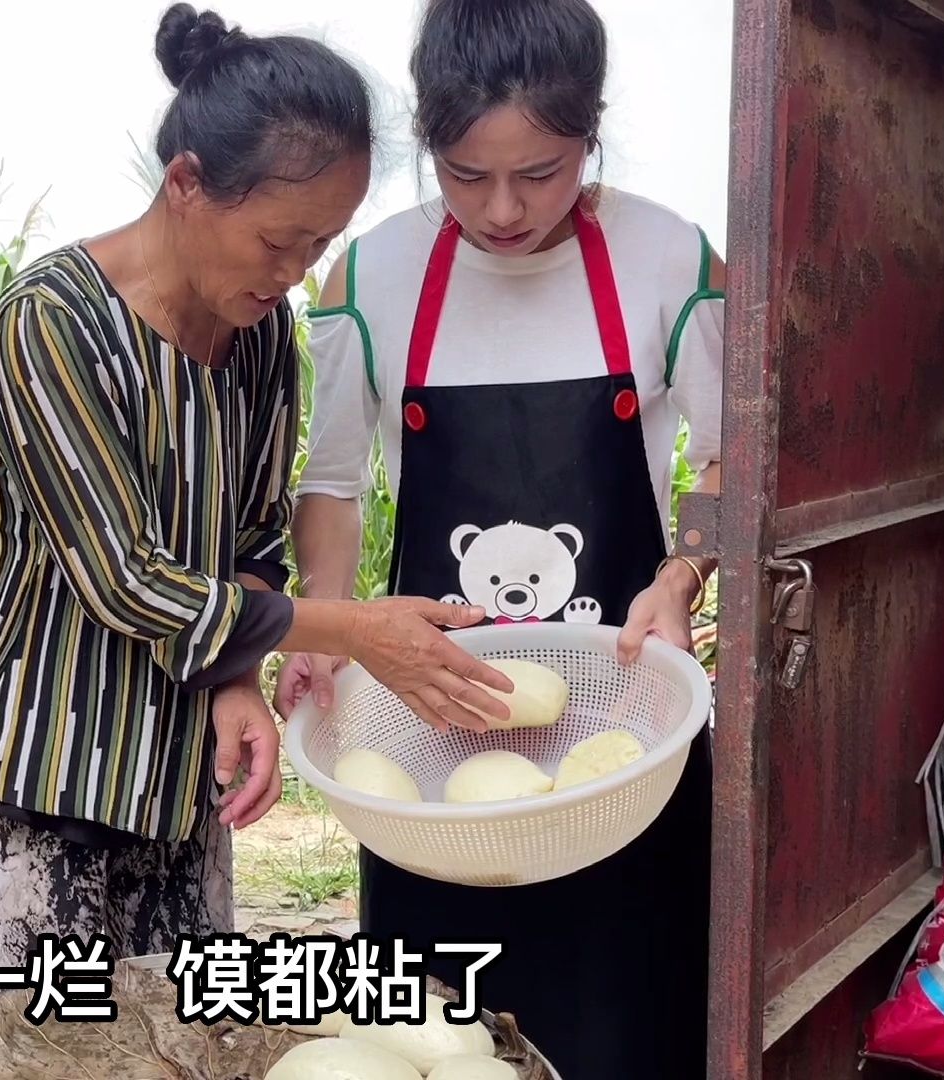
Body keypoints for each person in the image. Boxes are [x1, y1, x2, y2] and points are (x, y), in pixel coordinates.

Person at [0, 3, 519, 1004]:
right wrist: (357, 631)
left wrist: (237, 684)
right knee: (32, 1058)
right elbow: (129, 582)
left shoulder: (259, 344)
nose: (292, 274)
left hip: (180, 782)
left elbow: (248, 540)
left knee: (181, 1050)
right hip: (36, 776)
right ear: (188, 185)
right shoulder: (54, 325)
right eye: (278, 240)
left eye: (319, 245)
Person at [274, 0, 725, 1075]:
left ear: (591, 133)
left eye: (545, 169)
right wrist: (324, 629)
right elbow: (332, 487)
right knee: (432, 1043)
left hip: (624, 735)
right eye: (467, 175)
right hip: (431, 742)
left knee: (632, 1027)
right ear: (428, 141)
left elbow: (729, 462)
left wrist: (682, 576)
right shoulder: (369, 278)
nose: (506, 209)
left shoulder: (667, 257)